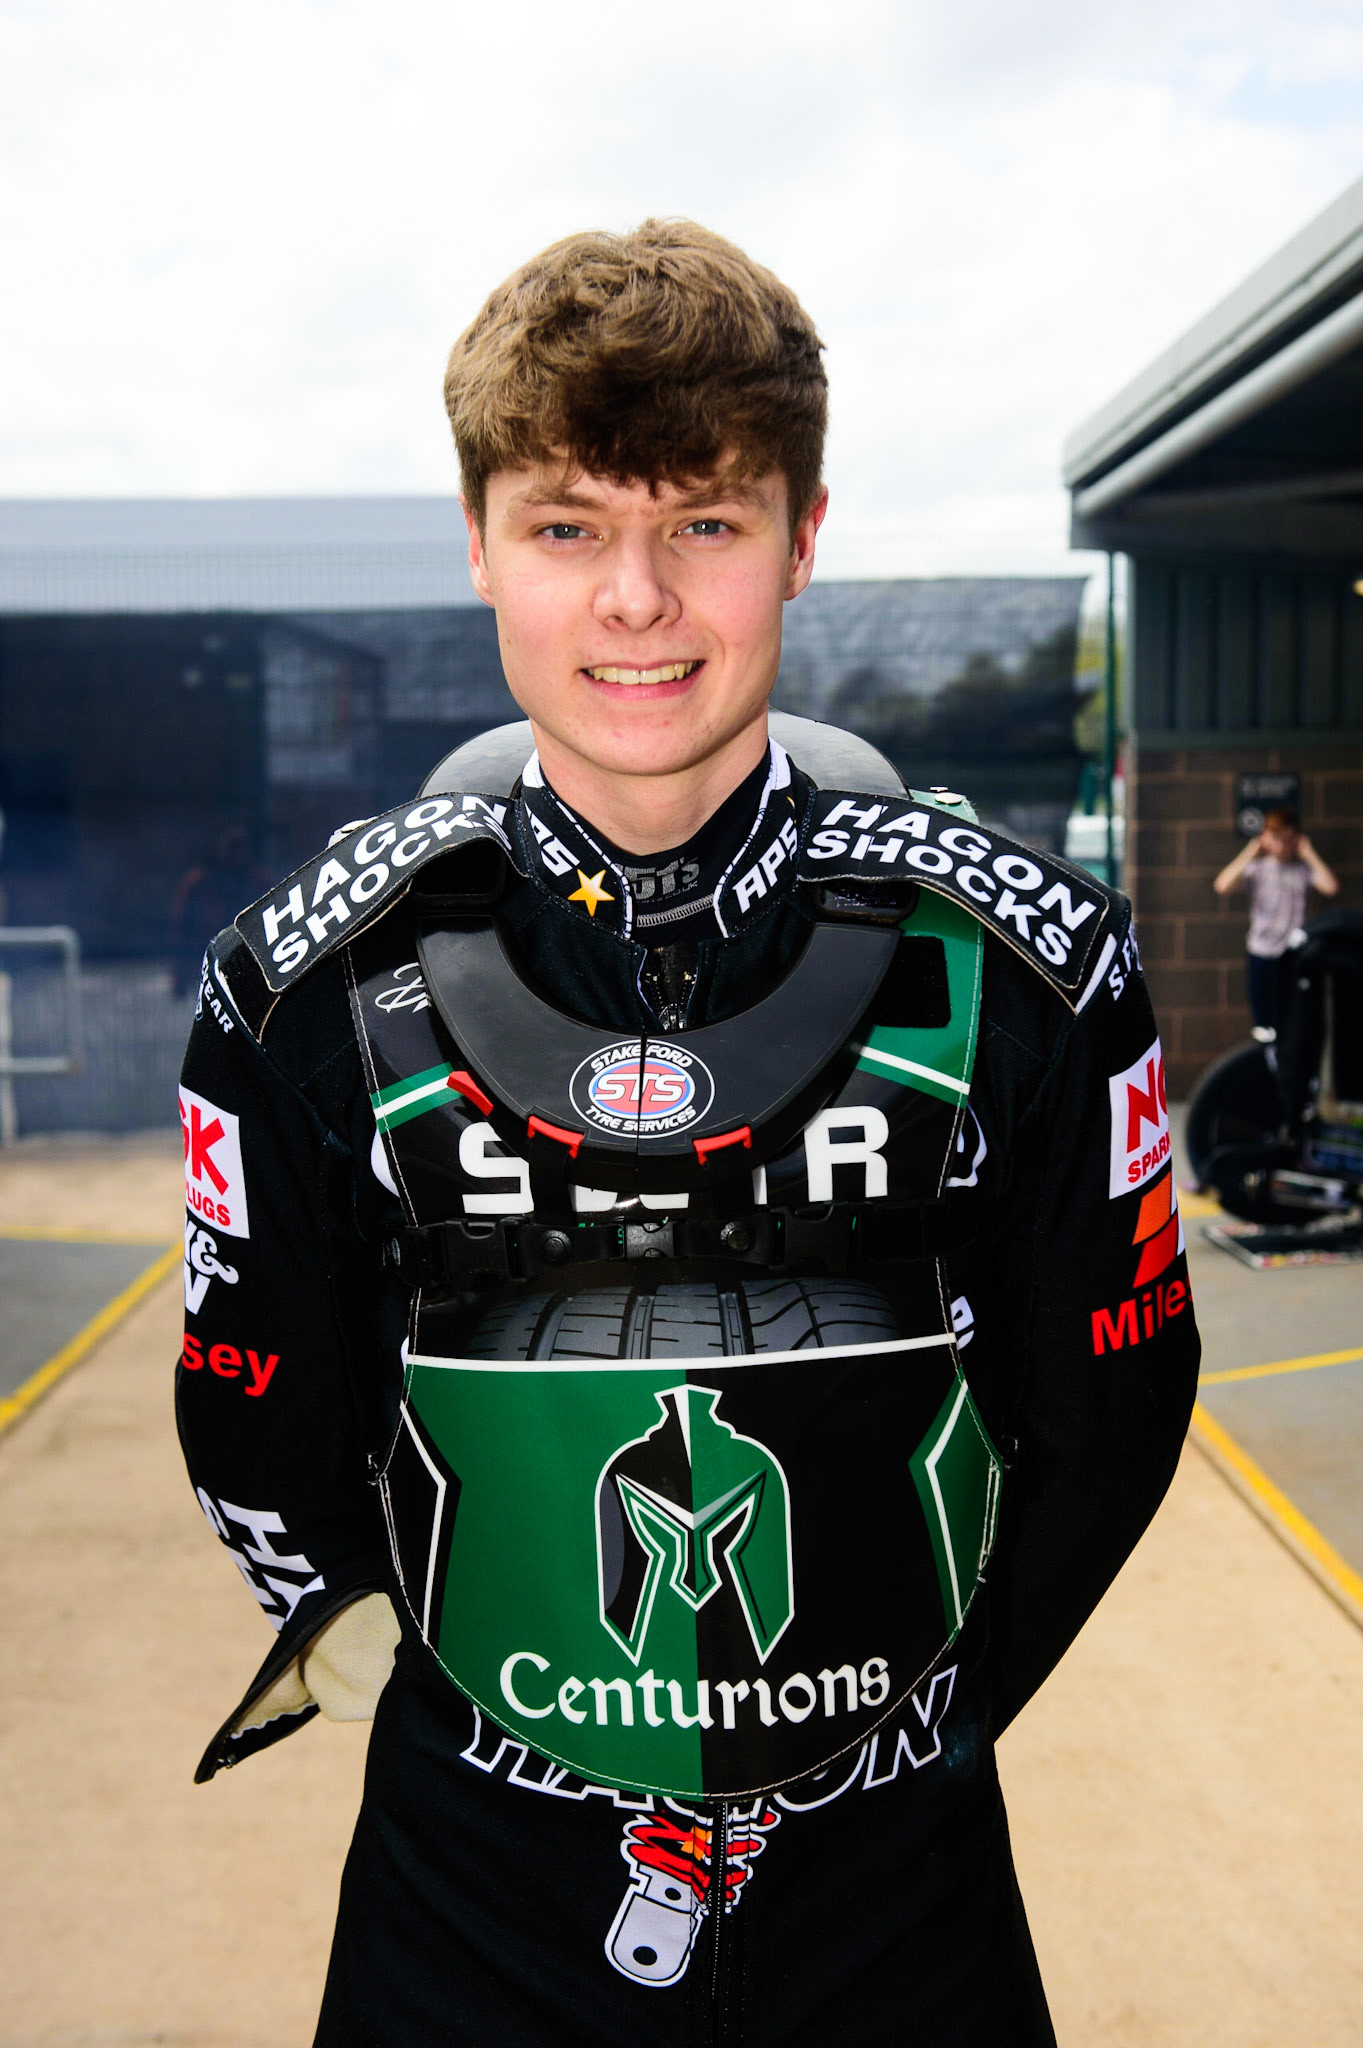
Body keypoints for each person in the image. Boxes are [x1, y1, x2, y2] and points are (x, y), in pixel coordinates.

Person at [176, 220, 1200, 2047]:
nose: (635, 599)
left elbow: (1111, 1404)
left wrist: (904, 1713)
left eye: (704, 522)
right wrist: (484, 1690)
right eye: (567, 524)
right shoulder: (296, 983)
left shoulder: (1038, 967)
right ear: (478, 541)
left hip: (898, 1881)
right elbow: (256, 1404)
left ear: (802, 535)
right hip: (467, 1875)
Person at [1213, 805, 1339, 1041]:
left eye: (1287, 839)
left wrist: (1309, 853)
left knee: (1295, 1015)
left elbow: (1330, 887)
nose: (1281, 846)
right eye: (1276, 838)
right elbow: (1222, 885)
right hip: (1262, 950)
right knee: (1264, 1024)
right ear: (1266, 838)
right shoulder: (1257, 868)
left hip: (1294, 952)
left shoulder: (1302, 870)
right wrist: (1251, 851)